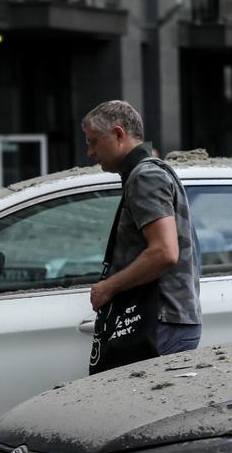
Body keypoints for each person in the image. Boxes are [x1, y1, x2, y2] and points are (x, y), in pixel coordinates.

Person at [83, 100, 201, 360]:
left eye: (93, 141)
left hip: (158, 320)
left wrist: (108, 287)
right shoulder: (148, 172)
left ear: (118, 134)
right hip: (165, 319)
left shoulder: (145, 176)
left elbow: (164, 252)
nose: (90, 152)